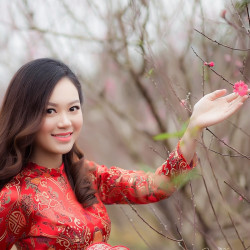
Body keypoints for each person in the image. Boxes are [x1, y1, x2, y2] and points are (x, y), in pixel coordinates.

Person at [0, 58, 248, 250]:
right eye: (50, 111)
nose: (65, 122)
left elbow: (156, 185)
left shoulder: (84, 174)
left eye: (73, 108)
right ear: (26, 115)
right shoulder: (14, 197)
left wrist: (193, 128)